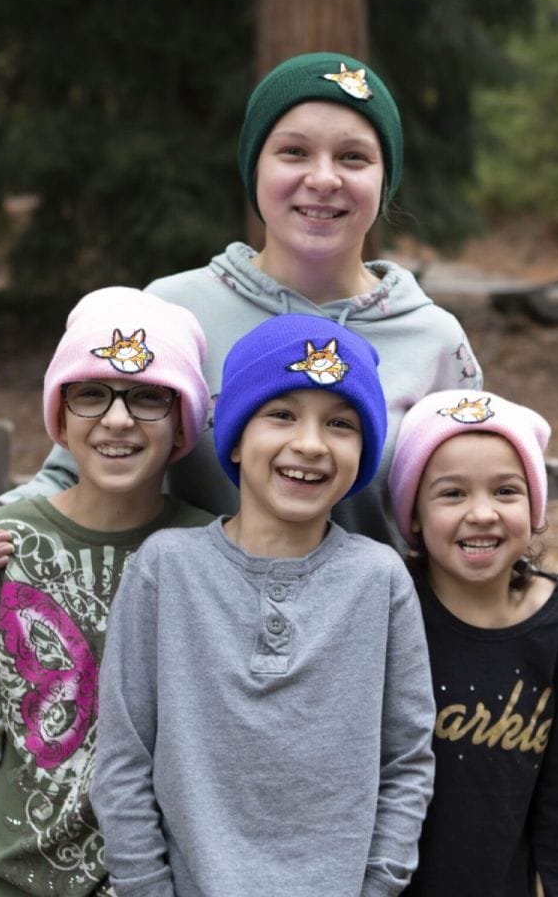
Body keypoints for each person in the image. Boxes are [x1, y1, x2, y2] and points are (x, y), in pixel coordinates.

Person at [0, 50, 558, 646]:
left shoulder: (433, 339)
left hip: (362, 667)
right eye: (294, 151)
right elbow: (73, 472)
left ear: (386, 179)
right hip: (185, 661)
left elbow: (468, 501)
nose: (324, 178)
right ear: (254, 166)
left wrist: (540, 595)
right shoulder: (171, 309)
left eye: (354, 156)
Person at [89, 314, 435, 897]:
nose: (309, 443)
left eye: (341, 424)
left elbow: (407, 760)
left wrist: (378, 885)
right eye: (281, 414)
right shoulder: (166, 569)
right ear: (236, 432)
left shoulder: (381, 580)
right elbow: (124, 763)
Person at [0, 287, 213, 897]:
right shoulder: (4, 545)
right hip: (9, 881)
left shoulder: (210, 552)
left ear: (184, 420)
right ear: (60, 414)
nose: (118, 418)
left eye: (149, 397)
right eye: (91, 393)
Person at [388, 389, 558, 896]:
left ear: (535, 508)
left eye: (506, 491)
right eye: (452, 494)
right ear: (413, 515)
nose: (482, 513)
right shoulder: (390, 607)